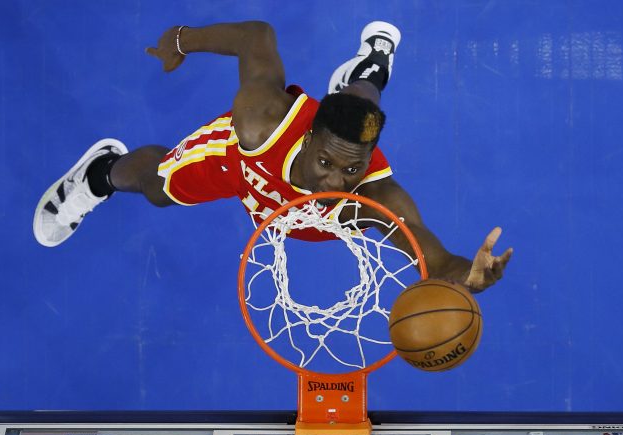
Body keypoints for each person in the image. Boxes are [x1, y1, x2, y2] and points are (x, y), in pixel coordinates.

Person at [33, 20, 512, 292]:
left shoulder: (374, 193)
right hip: (243, 166)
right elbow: (255, 37)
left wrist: (466, 278)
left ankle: (369, 68)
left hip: (321, 155)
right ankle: (97, 174)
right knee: (158, 189)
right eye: (326, 164)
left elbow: (431, 255)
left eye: (352, 169)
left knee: (361, 110)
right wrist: (179, 41)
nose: (334, 183)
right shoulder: (262, 119)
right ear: (306, 139)